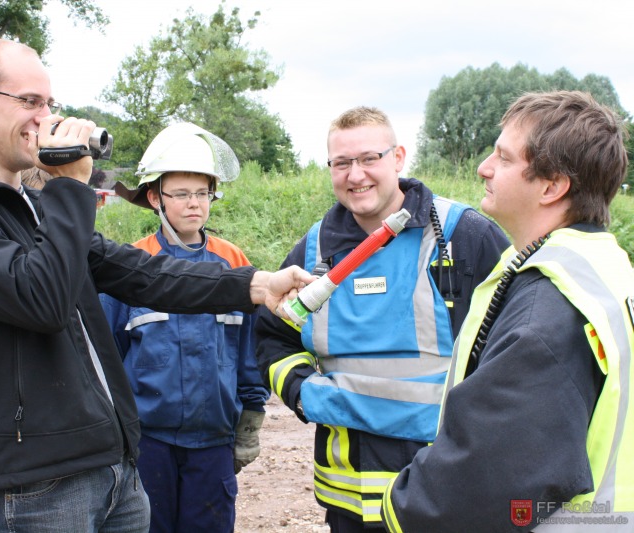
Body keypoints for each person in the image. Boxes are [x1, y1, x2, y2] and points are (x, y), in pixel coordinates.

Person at [0, 39, 313, 533]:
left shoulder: (34, 207)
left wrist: (256, 284)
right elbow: (42, 301)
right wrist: (71, 187)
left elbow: (144, 273)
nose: (46, 117)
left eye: (49, 103)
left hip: (111, 466)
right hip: (32, 486)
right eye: (30, 102)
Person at [380, 91, 634, 531]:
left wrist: (401, 513)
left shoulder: (550, 307)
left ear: (552, 186)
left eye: (503, 157)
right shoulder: (603, 266)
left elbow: (485, 481)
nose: (484, 167)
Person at [255, 106, 509, 531]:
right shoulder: (313, 250)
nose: (356, 175)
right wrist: (303, 393)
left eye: (369, 158)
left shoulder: (462, 236)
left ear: (398, 158)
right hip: (347, 500)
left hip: (442, 493)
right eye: (342, 163)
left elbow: (513, 350)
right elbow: (271, 340)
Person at [103, 122, 270, 533]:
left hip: (214, 441)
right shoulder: (129, 264)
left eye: (202, 193)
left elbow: (248, 350)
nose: (194, 204)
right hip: (148, 444)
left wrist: (250, 419)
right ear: (155, 197)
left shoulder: (233, 261)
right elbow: (107, 356)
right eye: (181, 194)